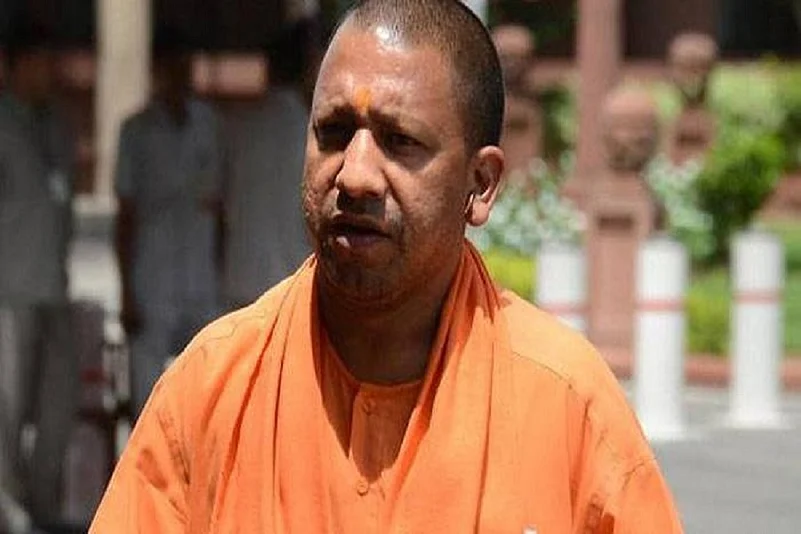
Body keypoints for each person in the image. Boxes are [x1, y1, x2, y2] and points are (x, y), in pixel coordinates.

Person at [91, 1, 683, 532]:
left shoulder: (568, 408)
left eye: (399, 141)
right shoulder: (210, 390)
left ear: (480, 184)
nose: (354, 175)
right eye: (333, 133)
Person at [114, 38, 222, 417]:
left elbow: (221, 208)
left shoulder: (210, 126)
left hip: (200, 278)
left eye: (184, 69)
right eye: (172, 69)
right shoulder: (136, 132)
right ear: (156, 73)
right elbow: (125, 216)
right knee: (147, 395)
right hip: (153, 279)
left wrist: (221, 273)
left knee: (209, 390)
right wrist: (126, 292)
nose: (179, 78)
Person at [0, 35, 78, 533]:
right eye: (39, 62)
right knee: (6, 409)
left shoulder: (58, 127)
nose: (48, 72)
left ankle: (43, 505)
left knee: (58, 404)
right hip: (9, 289)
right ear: (13, 66)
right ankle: (9, 511)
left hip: (55, 284)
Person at [221, 23, 312, 310]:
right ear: (311, 69)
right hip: (292, 288)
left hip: (240, 282)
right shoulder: (316, 133)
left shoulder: (238, 126)